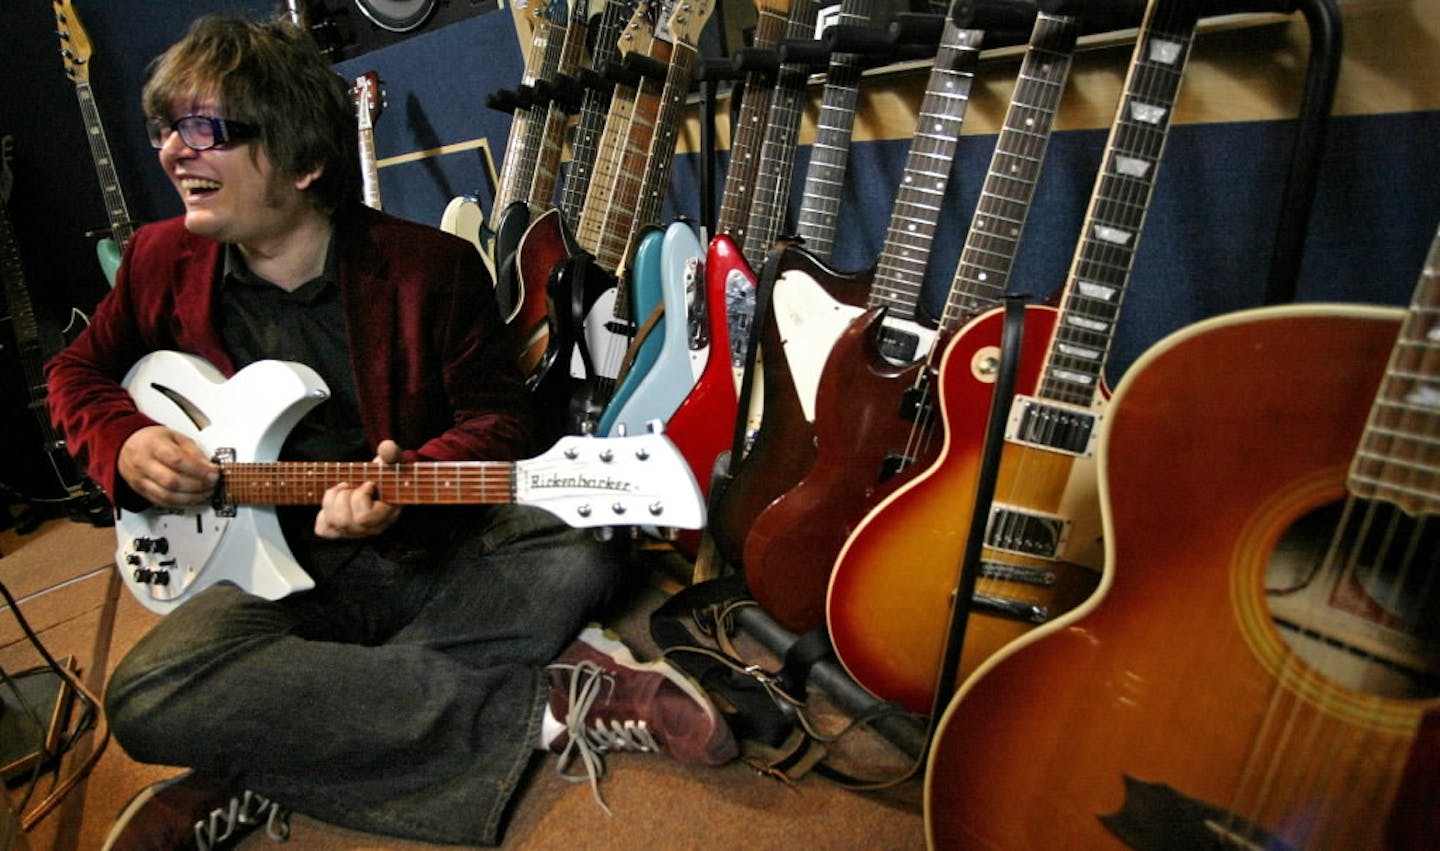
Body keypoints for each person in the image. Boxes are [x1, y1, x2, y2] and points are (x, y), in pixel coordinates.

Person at [45, 13, 736, 850]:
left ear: (303, 161)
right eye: (168, 130)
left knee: (580, 538)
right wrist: (121, 440)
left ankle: (275, 742)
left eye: (204, 130)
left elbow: (499, 420)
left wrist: (406, 479)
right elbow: (75, 372)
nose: (172, 153)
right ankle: (541, 702)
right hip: (265, 587)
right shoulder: (161, 261)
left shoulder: (426, 268)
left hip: (420, 554)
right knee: (150, 693)